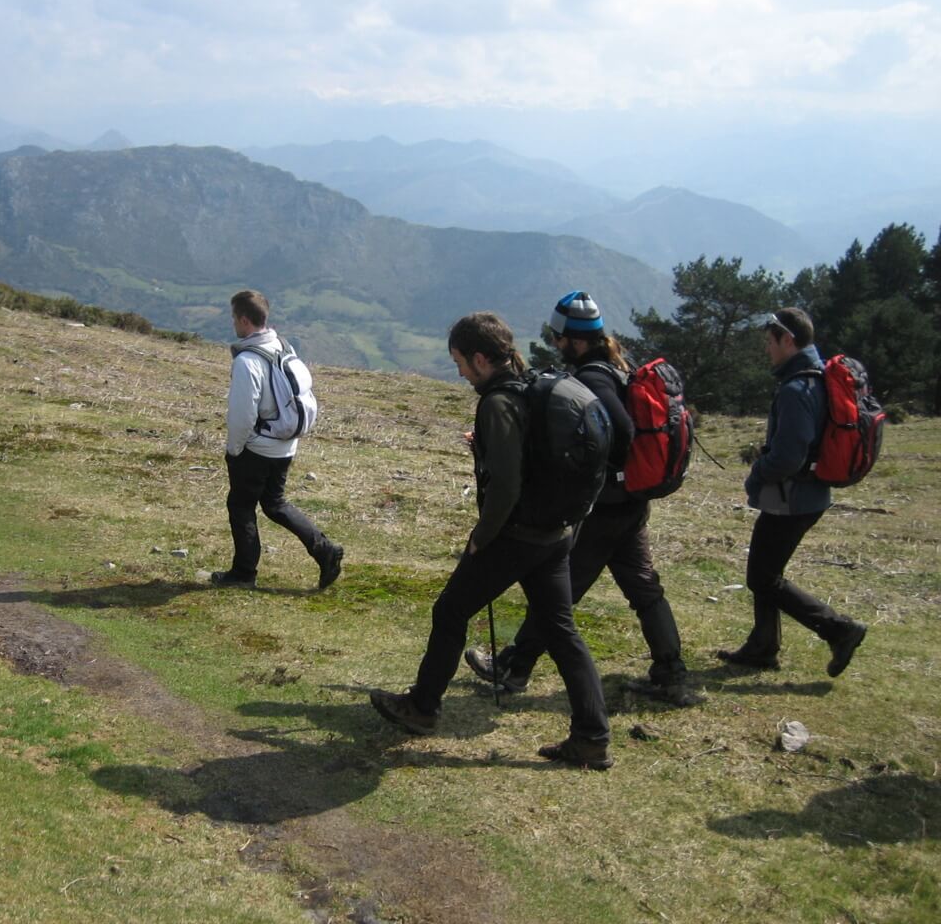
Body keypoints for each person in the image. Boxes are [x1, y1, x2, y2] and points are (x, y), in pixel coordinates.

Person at [369, 311, 612, 769]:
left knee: (451, 610)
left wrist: (482, 538)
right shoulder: (533, 386)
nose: (459, 371)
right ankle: (592, 738)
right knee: (560, 630)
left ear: (481, 358)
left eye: (460, 361)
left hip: (517, 536)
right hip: (556, 534)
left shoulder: (497, 402)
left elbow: (505, 487)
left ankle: (422, 708)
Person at [464, 292, 703, 707]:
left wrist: (585, 468)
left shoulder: (593, 378)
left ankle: (515, 668)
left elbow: (623, 432)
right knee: (643, 586)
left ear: (574, 340)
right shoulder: (614, 367)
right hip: (630, 503)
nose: (554, 344)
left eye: (558, 338)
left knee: (558, 595)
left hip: (607, 507)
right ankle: (671, 673)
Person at [717, 307, 867, 676]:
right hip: (808, 494)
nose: (767, 349)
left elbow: (787, 456)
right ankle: (762, 646)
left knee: (763, 577)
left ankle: (838, 629)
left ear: (788, 340)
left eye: (770, 341)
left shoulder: (797, 388)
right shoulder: (815, 378)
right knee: (767, 571)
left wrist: (756, 475)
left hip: (792, 498)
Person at [212, 289, 343, 590]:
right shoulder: (283, 346)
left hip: (258, 448)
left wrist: (234, 451)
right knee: (274, 504)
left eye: (234, 317)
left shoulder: (247, 361)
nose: (233, 323)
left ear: (244, 320)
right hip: (286, 445)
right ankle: (325, 550)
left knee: (241, 506)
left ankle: (244, 573)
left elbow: (242, 415)